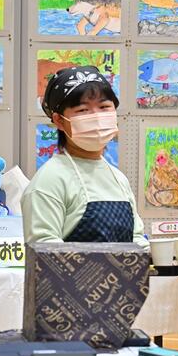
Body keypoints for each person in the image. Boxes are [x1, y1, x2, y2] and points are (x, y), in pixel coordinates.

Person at [21, 66, 147, 248]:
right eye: (83, 110)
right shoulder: (49, 181)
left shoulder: (119, 179)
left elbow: (137, 240)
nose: (97, 117)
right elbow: (44, 250)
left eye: (104, 107)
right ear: (59, 120)